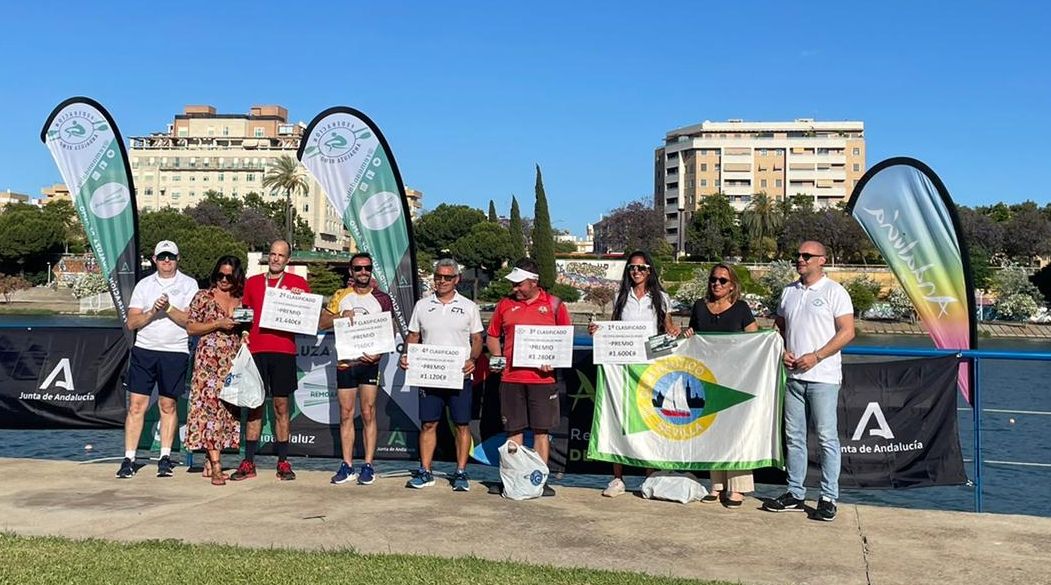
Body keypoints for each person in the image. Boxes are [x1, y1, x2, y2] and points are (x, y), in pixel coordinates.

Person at [763, 241, 855, 521]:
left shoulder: (835, 292)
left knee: (827, 438)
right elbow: (779, 327)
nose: (800, 259)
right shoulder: (789, 292)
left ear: (822, 260)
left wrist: (816, 356)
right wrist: (784, 351)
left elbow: (848, 332)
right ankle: (795, 492)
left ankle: (828, 497)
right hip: (793, 377)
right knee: (794, 438)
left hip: (823, 378)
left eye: (806, 256)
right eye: (798, 255)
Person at [587, 250, 678, 498]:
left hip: (650, 368)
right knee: (620, 420)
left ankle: (650, 476)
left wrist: (674, 332)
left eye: (641, 268)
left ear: (650, 271)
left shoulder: (662, 298)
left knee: (649, 422)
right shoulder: (620, 296)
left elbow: (667, 329)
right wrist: (598, 331)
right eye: (632, 268)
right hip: (622, 368)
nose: (636, 272)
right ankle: (617, 479)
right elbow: (613, 328)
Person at [486, 258, 571, 497]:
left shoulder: (555, 305)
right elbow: (492, 336)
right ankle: (512, 480)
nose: (514, 289)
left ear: (534, 282)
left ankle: (538, 481)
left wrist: (553, 358)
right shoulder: (504, 304)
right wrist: (497, 355)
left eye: (519, 284)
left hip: (543, 380)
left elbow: (565, 339)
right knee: (513, 431)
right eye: (513, 285)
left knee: (541, 432)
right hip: (510, 377)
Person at [398, 258, 484, 491]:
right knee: (428, 424)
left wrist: (473, 359)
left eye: (447, 277)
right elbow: (414, 336)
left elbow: (477, 339)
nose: (442, 281)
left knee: (462, 425)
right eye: (438, 277)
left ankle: (461, 472)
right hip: (429, 376)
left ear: (456, 279)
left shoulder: (469, 306)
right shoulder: (422, 305)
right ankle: (425, 471)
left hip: (459, 376)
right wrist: (406, 355)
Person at [117, 240, 199, 479]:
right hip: (145, 350)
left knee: (168, 405)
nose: (166, 261)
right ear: (154, 259)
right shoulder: (144, 285)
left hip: (175, 351)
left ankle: (165, 457)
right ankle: (128, 458)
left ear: (177, 259)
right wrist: (153, 311)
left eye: (171, 257)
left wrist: (169, 308)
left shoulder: (189, 284)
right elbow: (132, 323)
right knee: (136, 406)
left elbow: (190, 322)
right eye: (162, 257)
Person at [230, 240, 311, 482]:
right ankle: (249, 462)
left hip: (284, 351)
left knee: (281, 407)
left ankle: (283, 461)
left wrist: (299, 300)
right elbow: (245, 315)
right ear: (269, 257)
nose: (276, 259)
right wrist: (244, 331)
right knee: (254, 407)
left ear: (288, 259)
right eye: (273, 254)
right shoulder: (253, 282)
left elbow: (307, 316)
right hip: (257, 351)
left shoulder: (299, 284)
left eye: (281, 255)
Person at [683, 263, 758, 507]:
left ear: (732, 286)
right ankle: (716, 485)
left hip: (737, 380)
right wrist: (686, 335)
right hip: (708, 379)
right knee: (713, 431)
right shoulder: (699, 307)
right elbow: (693, 335)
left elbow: (755, 341)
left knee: (736, 433)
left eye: (723, 281)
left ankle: (738, 488)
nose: (717, 283)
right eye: (714, 279)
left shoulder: (742, 309)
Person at [318, 252, 395, 486]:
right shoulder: (340, 296)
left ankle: (369, 465)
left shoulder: (382, 298)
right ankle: (347, 464)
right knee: (345, 414)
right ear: (350, 271)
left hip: (370, 363)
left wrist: (379, 353)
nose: (363, 272)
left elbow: (389, 331)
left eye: (367, 268)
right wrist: (341, 315)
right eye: (358, 268)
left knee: (369, 412)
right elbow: (321, 322)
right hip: (346, 363)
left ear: (371, 271)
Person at [185, 256, 246, 486]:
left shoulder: (241, 300)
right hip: (208, 362)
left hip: (232, 361)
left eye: (229, 276)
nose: (223, 280)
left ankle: (210, 459)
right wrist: (217, 324)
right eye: (220, 275)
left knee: (226, 412)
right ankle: (217, 466)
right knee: (209, 412)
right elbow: (191, 327)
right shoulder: (203, 297)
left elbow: (248, 326)